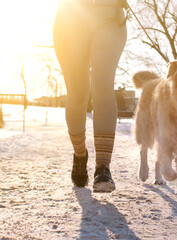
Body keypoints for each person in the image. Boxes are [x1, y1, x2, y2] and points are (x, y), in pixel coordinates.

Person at [53, 0, 128, 192]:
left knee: (102, 85)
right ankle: (80, 155)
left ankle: (103, 167)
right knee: (78, 94)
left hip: (109, 16)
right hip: (71, 18)